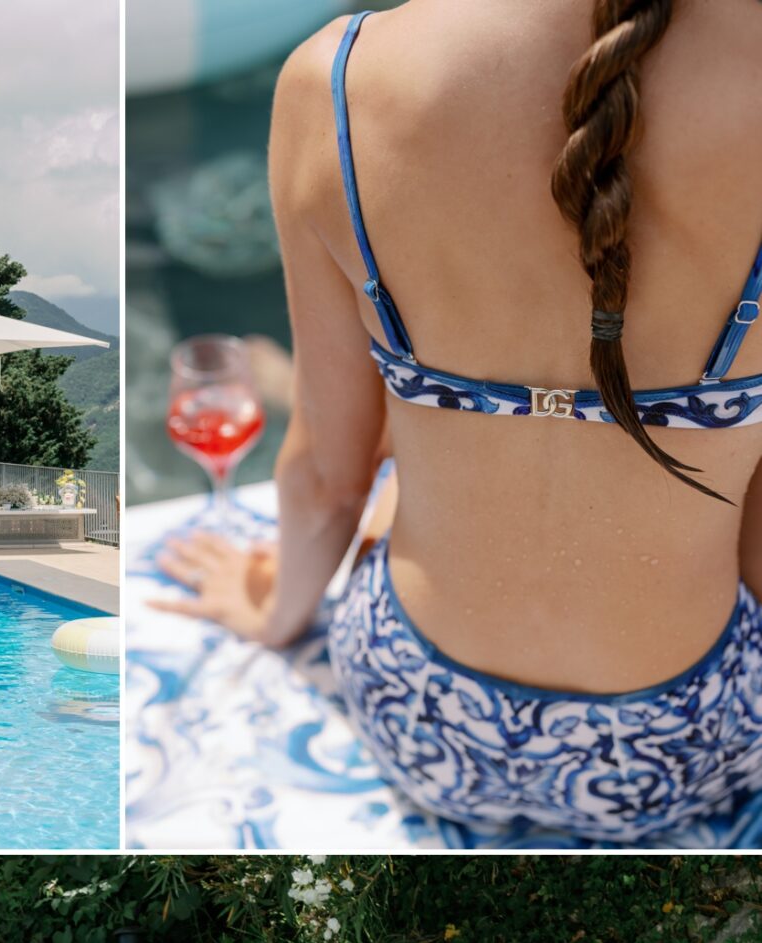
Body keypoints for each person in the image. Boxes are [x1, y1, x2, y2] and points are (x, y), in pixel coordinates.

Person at [154, 0, 762, 844]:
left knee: (405, 449)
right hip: (685, 745)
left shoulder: (337, 77)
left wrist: (272, 615)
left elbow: (327, 484)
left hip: (419, 720)